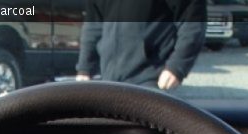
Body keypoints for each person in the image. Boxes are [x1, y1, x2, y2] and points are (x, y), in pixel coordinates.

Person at [75, 0, 207, 91]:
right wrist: (85, 69)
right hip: (109, 78)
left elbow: (192, 20)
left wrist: (177, 67)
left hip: (151, 79)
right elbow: (93, 25)